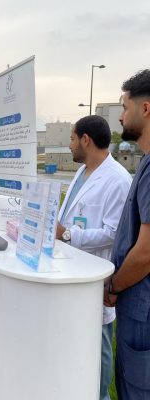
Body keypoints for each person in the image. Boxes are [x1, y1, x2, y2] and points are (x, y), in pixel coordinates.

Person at [56, 115, 132, 400]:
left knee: (98, 346)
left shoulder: (118, 180)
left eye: (72, 138)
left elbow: (114, 233)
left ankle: (100, 396)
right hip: (71, 269)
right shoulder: (83, 171)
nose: (70, 145)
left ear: (85, 140)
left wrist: (67, 235)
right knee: (77, 345)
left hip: (96, 277)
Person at [103, 70, 150, 399]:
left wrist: (115, 286)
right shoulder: (145, 163)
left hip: (142, 314)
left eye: (124, 107)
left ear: (145, 109)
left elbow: (146, 252)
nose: (120, 117)